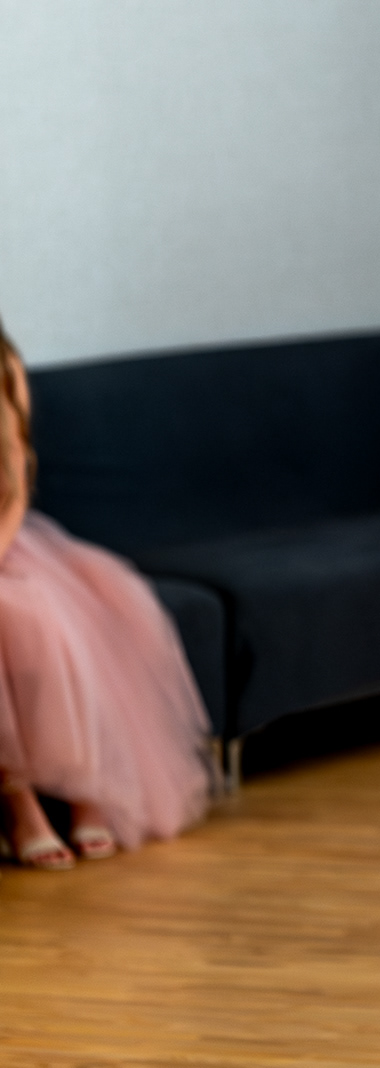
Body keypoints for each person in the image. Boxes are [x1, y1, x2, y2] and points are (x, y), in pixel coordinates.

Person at [0, 321, 210, 868]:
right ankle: (21, 808)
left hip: (10, 541)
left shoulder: (5, 366)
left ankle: (87, 793)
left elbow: (16, 473)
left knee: (37, 613)